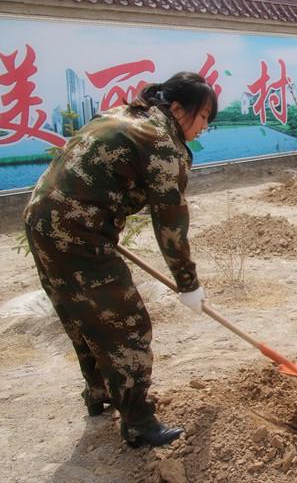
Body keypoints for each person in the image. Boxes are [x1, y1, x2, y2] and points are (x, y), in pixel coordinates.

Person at [24, 71, 217, 447]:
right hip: (78, 234)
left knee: (81, 313)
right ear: (178, 109)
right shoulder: (161, 143)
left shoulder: (125, 115)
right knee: (127, 325)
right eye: (204, 115)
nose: (205, 126)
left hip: (42, 219)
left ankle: (98, 394)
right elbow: (171, 227)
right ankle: (139, 423)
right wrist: (188, 284)